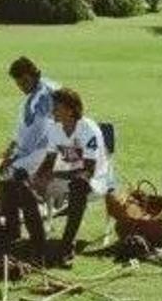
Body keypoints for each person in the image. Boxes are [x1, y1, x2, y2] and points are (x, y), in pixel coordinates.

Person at [33, 87, 111, 267]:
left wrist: (55, 174)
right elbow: (50, 159)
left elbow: (88, 169)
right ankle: (37, 242)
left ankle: (67, 245)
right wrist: (37, 178)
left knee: (79, 185)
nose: (52, 111)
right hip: (66, 175)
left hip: (94, 180)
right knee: (24, 182)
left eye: (57, 108)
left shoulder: (88, 129)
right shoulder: (55, 128)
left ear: (70, 109)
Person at [0, 56, 58, 261]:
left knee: (13, 176)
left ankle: (35, 238)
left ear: (33, 75)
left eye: (24, 82)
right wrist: (11, 150)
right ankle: (13, 229)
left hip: (49, 153)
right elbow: (23, 129)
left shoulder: (43, 95)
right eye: (18, 83)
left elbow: (37, 132)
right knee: (7, 174)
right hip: (37, 151)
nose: (21, 87)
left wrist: (15, 157)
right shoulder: (38, 91)